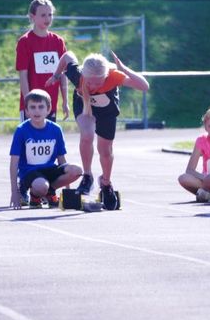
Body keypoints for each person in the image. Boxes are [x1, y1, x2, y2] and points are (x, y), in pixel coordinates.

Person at [45, 50, 149, 209]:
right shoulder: (77, 74)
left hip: (106, 109)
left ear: (106, 76)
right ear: (84, 75)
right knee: (86, 136)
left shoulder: (114, 76)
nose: (93, 86)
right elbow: (67, 56)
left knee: (105, 150)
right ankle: (87, 176)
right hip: (83, 104)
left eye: (98, 82)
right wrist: (56, 75)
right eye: (90, 82)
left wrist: (123, 68)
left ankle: (106, 183)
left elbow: (144, 86)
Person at [9, 89, 82, 209]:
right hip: (29, 172)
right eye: (32, 107)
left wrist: (67, 192)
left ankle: (49, 192)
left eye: (41, 107)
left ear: (48, 109)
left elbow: (61, 159)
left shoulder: (56, 129)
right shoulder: (21, 130)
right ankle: (34, 195)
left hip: (49, 170)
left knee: (77, 170)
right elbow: (14, 163)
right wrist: (14, 192)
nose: (37, 111)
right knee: (41, 186)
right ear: (26, 111)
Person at [15, 0, 69, 122]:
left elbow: (62, 74)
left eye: (50, 15)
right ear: (32, 16)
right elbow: (23, 75)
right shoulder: (25, 42)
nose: (47, 18)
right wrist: (28, 103)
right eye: (43, 15)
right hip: (32, 106)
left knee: (48, 141)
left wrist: (65, 101)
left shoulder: (58, 42)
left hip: (49, 105)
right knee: (29, 141)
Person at [178, 105, 210, 202]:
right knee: (183, 178)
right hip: (206, 180)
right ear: (205, 127)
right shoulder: (201, 140)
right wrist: (205, 178)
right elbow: (190, 170)